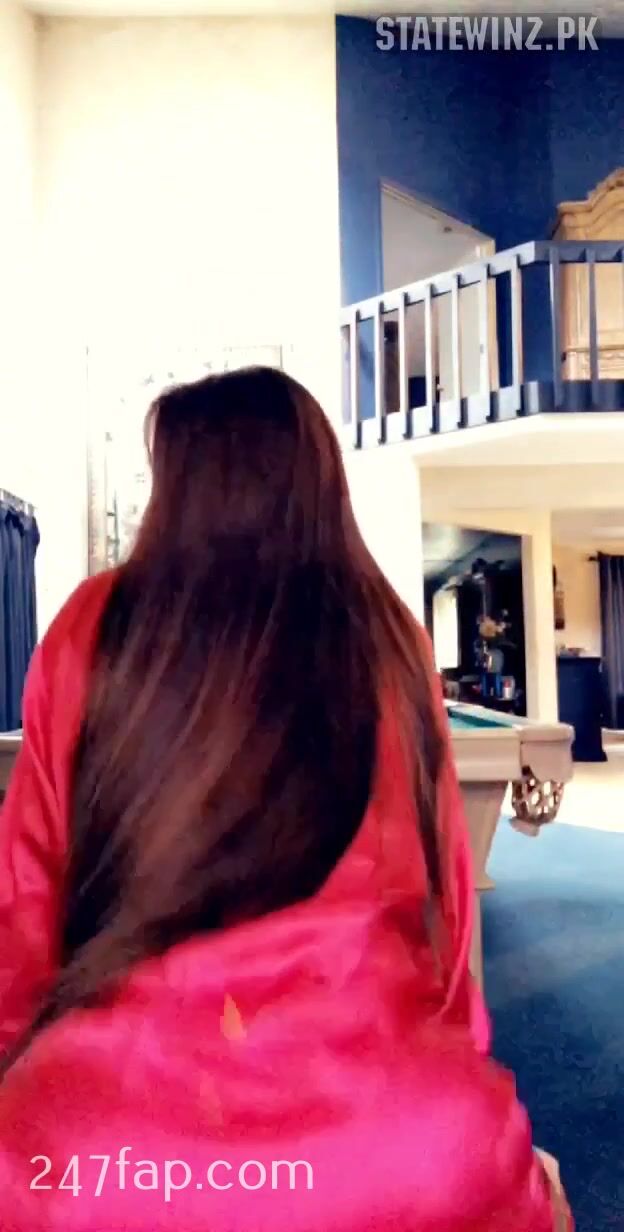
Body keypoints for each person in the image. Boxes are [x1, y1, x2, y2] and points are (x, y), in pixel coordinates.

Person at [0, 368, 571, 1231]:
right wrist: (457, 1082)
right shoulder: (388, 633)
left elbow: (26, 904)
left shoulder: (91, 622)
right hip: (406, 1141)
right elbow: (445, 906)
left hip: (94, 1151)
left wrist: (21, 1090)